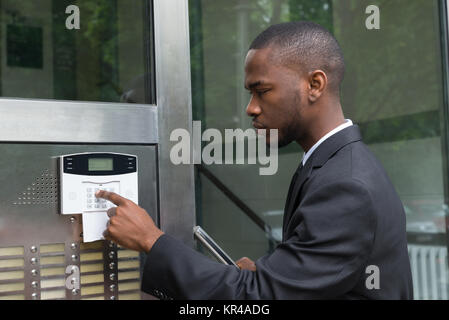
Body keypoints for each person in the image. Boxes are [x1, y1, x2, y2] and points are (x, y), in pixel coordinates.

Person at [96, 21, 413, 299]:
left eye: (262, 91)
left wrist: (152, 239)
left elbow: (257, 298)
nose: (251, 108)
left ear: (314, 85)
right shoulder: (330, 165)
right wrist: (264, 274)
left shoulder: (346, 185)